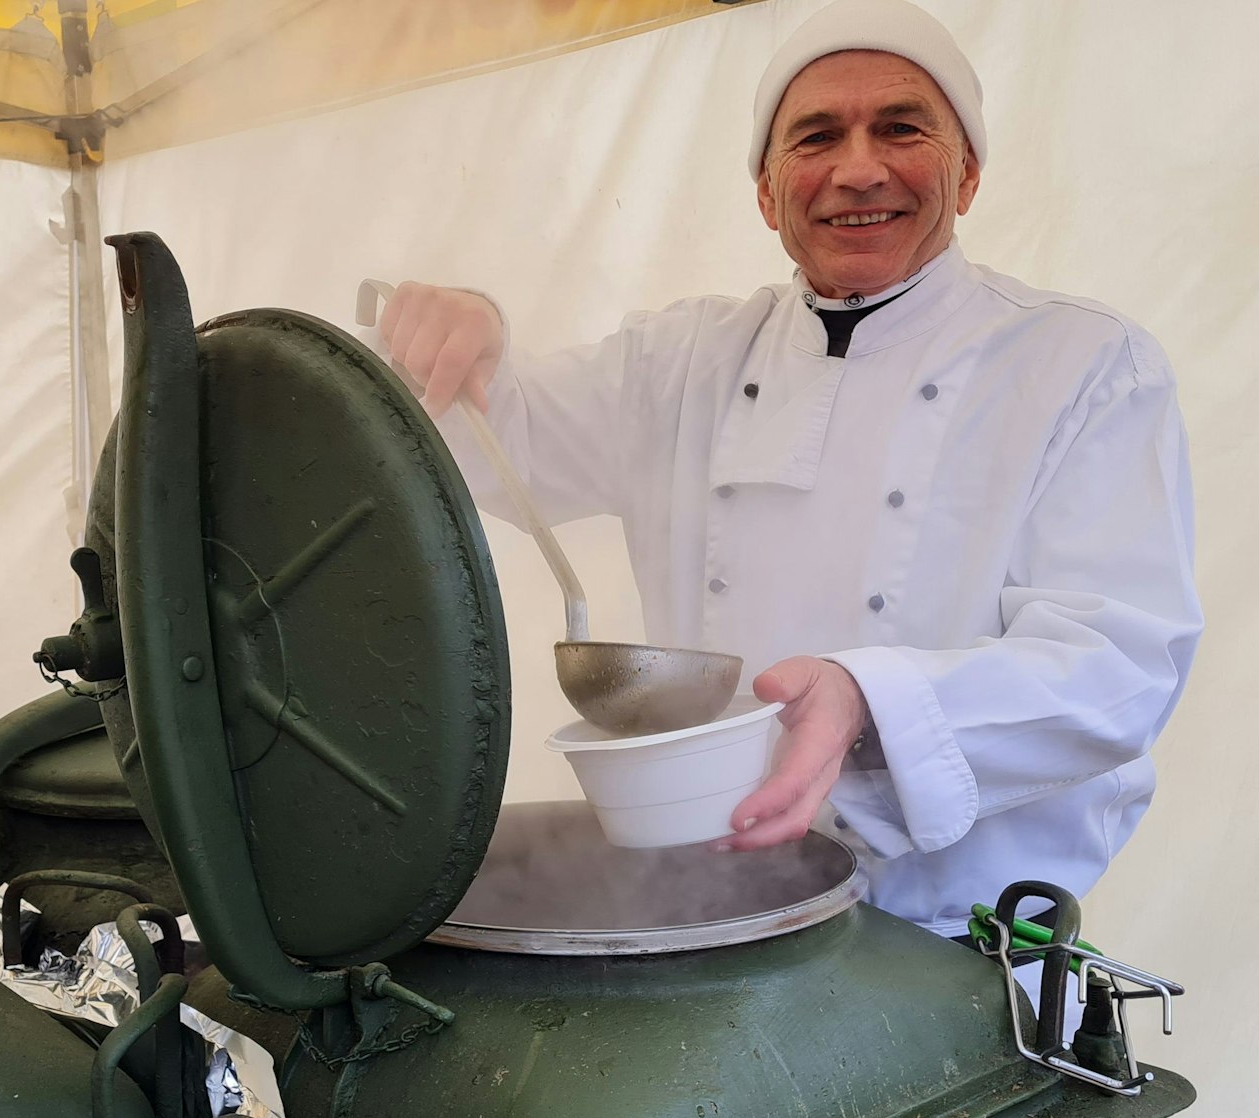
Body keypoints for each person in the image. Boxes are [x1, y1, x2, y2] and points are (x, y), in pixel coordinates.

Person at [375, 0, 1202, 964]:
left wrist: (870, 696)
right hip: (707, 921)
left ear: (967, 173)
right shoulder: (682, 360)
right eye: (817, 137)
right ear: (767, 194)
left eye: (901, 127)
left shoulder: (1084, 365)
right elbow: (499, 438)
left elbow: (1116, 669)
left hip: (963, 950)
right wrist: (466, 331)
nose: (859, 168)